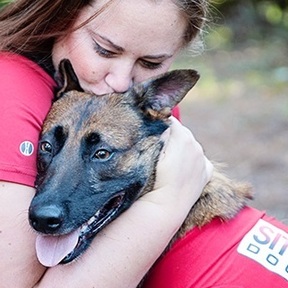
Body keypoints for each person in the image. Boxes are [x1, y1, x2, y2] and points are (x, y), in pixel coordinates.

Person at [0, 0, 213, 287]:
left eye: (151, 63)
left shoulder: (139, 111)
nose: (122, 82)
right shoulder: (12, 89)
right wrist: (167, 202)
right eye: (104, 49)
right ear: (62, 15)